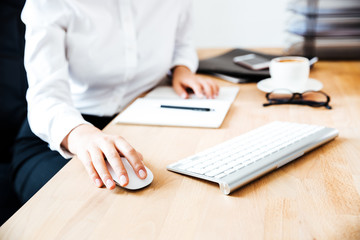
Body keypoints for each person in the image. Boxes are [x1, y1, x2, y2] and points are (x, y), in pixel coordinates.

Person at [11, 0, 219, 203]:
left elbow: (182, 41)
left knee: (183, 190)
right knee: (101, 206)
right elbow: (45, 97)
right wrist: (81, 135)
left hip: (144, 113)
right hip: (64, 132)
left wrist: (181, 68)